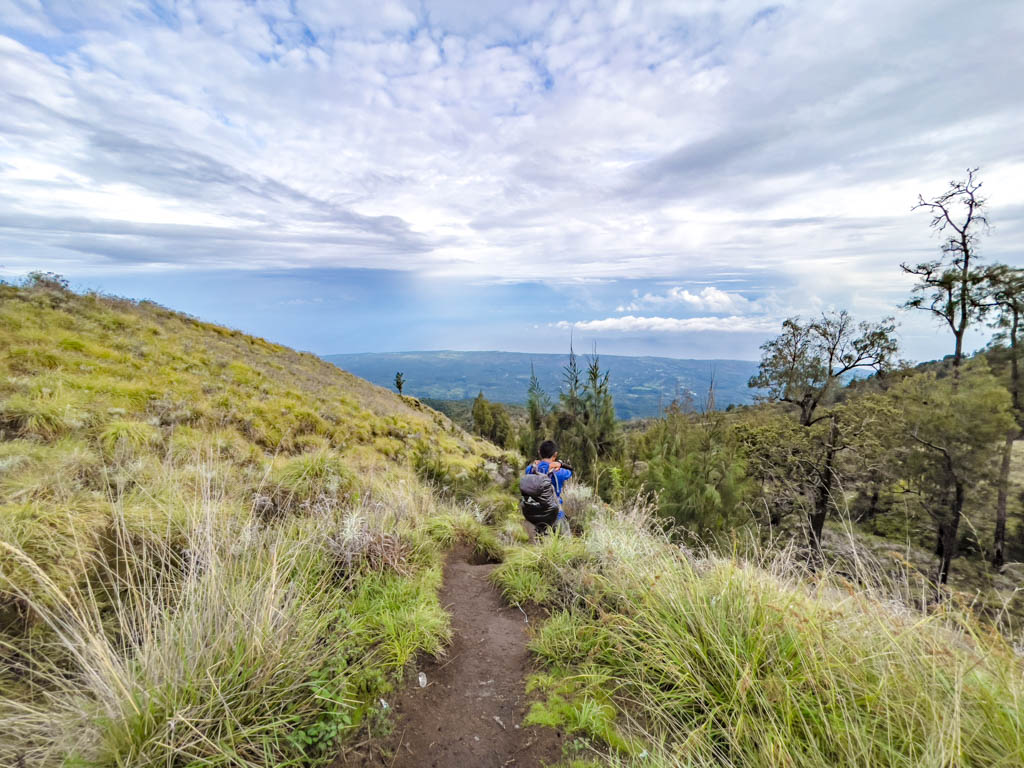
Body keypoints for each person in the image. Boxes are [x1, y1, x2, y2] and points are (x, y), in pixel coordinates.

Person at [524, 439, 572, 535]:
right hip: (555, 515)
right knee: (566, 543)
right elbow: (570, 472)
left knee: (538, 544)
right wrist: (561, 464)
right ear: (555, 455)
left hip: (535, 514)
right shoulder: (559, 472)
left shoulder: (530, 469)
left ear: (539, 453)